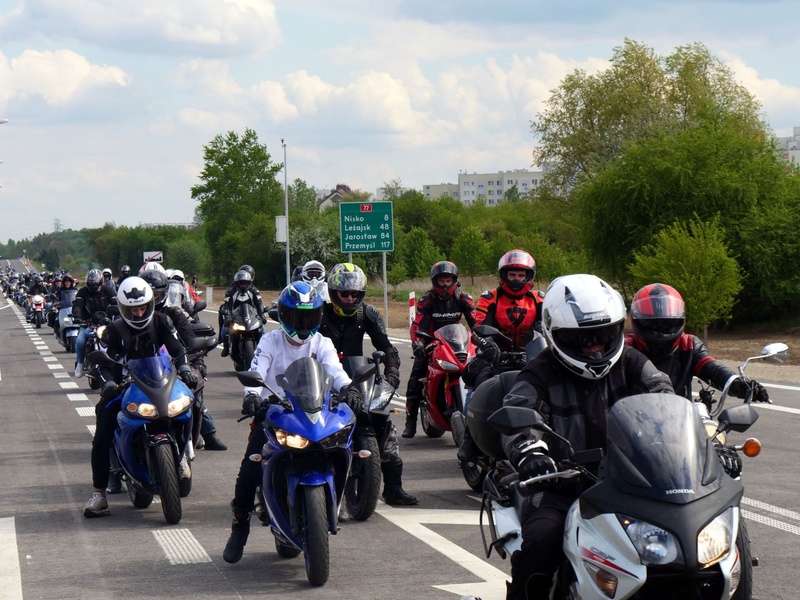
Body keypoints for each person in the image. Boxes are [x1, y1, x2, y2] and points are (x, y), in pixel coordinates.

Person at [496, 274, 674, 599]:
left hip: (630, 483)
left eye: (603, 335)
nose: (594, 345)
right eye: (580, 338)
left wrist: (703, 441)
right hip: (561, 485)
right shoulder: (539, 371)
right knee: (541, 542)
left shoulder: (632, 362)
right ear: (555, 334)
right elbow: (518, 412)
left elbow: (664, 398)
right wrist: (530, 451)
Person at [223, 281, 362, 563]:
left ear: (318, 317)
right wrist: (252, 396)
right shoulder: (269, 341)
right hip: (275, 414)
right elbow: (257, 369)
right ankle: (240, 527)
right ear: (284, 316)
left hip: (314, 412)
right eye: (297, 317)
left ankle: (344, 496)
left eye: (308, 317)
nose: (302, 324)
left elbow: (335, 370)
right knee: (249, 469)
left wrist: (349, 389)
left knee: (349, 445)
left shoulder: (322, 342)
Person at [83, 276, 198, 518]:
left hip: (161, 381)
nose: (138, 313)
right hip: (125, 387)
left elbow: (177, 348)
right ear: (123, 309)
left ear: (150, 304)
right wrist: (108, 383)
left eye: (142, 307)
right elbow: (102, 363)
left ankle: (183, 454)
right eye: (132, 309)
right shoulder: (114, 330)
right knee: (102, 432)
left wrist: (185, 368)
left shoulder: (161, 321)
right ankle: (99, 494)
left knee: (191, 403)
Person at [319, 263, 418, 506]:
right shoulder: (319, 313)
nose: (350, 299)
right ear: (333, 292)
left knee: (384, 424)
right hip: (323, 379)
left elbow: (386, 346)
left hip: (358, 376)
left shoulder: (368, 314)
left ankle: (393, 488)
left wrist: (392, 371)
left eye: (355, 294)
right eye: (345, 293)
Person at [625, 283, 770, 404]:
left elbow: (712, 368)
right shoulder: (626, 348)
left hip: (679, 421)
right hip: (633, 422)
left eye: (667, 323)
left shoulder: (688, 344)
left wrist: (739, 385)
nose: (661, 330)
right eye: (652, 324)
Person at [139, 269, 227, 451]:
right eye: (149, 295)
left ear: (163, 294)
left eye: (156, 294)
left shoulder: (174, 314)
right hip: (142, 370)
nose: (152, 299)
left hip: (173, 366)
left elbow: (189, 340)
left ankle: (208, 434)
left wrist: (197, 362)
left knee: (192, 390)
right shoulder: (134, 317)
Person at [402, 260, 476, 438]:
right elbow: (418, 324)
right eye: (441, 281)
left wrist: (483, 340)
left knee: (481, 371)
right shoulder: (427, 300)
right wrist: (418, 343)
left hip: (456, 342)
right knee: (416, 376)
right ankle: (410, 421)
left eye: (448, 280)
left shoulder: (464, 299)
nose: (445, 285)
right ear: (435, 281)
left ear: (455, 280)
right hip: (431, 342)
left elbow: (476, 323)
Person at [464, 250, 544, 390]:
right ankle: (469, 404)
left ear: (529, 276)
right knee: (474, 379)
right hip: (495, 357)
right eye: (512, 275)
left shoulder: (538, 299)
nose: (516, 279)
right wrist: (487, 344)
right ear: (504, 275)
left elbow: (551, 325)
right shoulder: (490, 298)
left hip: (531, 357)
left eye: (521, 275)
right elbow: (478, 329)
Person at [219, 268, 268, 357]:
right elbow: (227, 305)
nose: (243, 285)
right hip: (236, 317)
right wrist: (227, 316)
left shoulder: (254, 291)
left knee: (262, 328)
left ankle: (263, 348)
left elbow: (259, 303)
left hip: (251, 316)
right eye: (241, 283)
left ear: (249, 283)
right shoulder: (230, 292)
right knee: (225, 329)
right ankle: (226, 347)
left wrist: (262, 315)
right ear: (236, 283)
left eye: (245, 283)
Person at [74, 269, 113, 378]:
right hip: (87, 323)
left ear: (100, 282)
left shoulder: (109, 291)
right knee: (80, 341)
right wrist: (77, 316)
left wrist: (117, 314)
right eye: (90, 283)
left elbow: (116, 304)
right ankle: (80, 364)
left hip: (106, 323)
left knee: (117, 339)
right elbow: (77, 305)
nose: (93, 285)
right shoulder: (82, 292)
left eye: (95, 283)